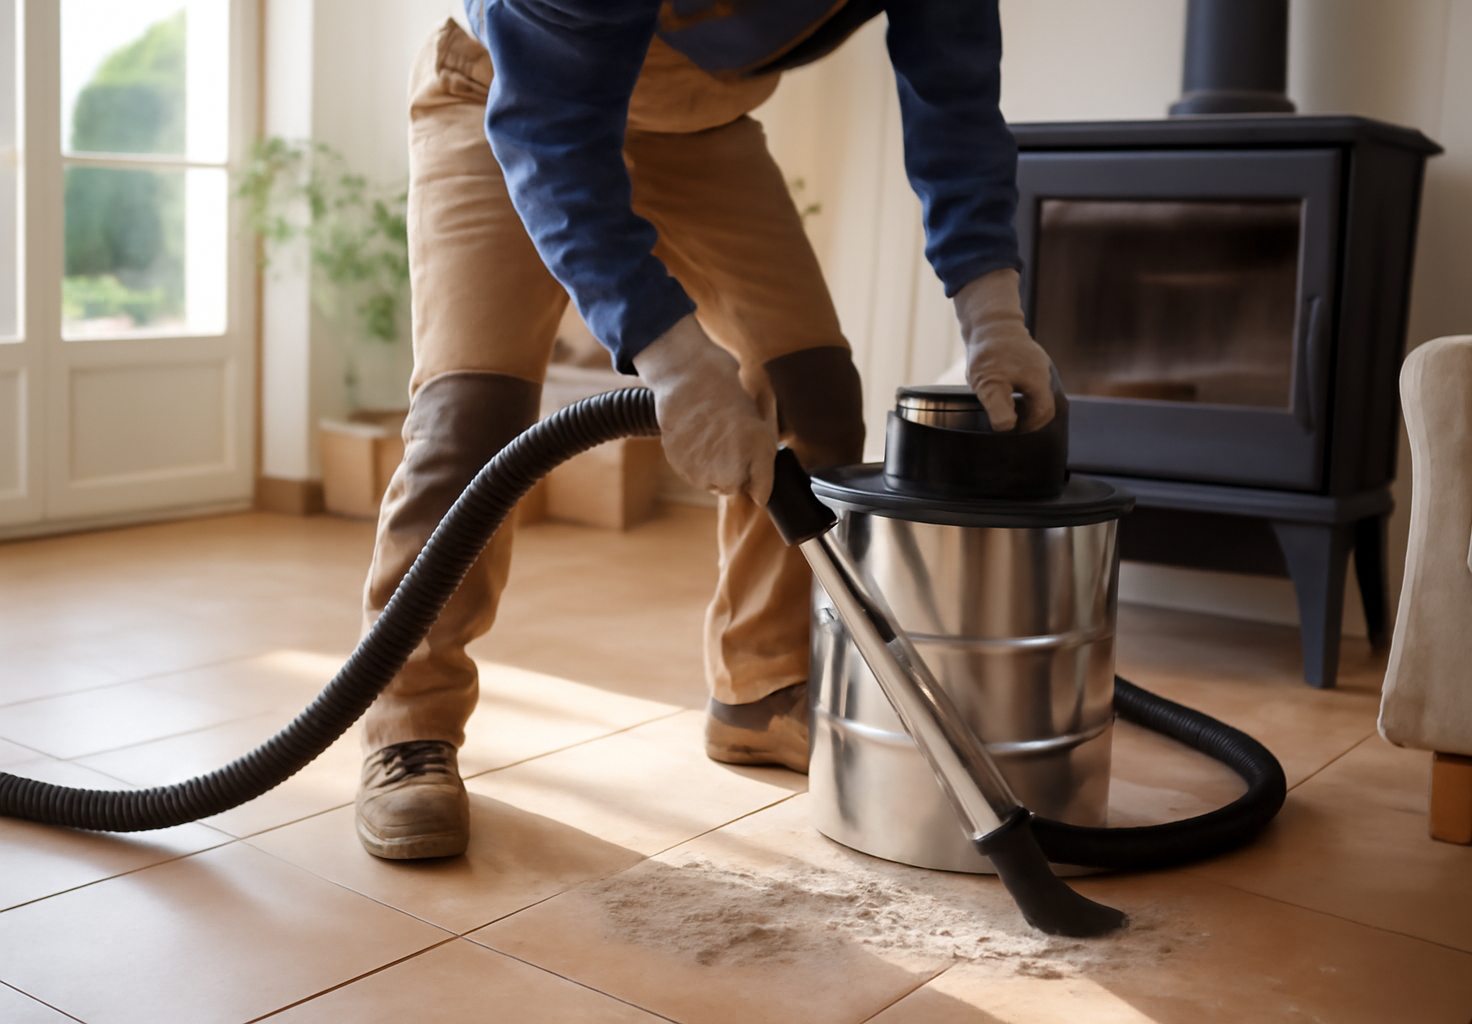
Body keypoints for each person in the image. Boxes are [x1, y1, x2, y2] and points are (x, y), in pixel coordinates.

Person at [354, 0, 1057, 860]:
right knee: (473, 418)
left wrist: (992, 314)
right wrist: (680, 365)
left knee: (813, 391)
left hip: (698, 128)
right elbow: (551, 139)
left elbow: (952, 92)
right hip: (512, 95)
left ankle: (762, 690)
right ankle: (406, 725)